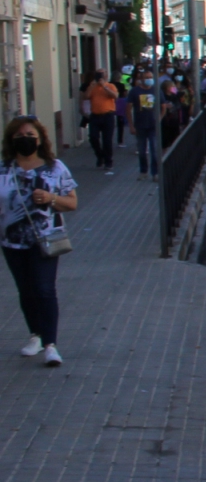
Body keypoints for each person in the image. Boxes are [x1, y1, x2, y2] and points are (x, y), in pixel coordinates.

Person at [1, 118, 75, 366]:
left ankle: (51, 345)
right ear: (11, 140)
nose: (25, 138)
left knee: (44, 289)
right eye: (19, 134)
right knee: (26, 290)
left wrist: (51, 198)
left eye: (30, 134)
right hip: (12, 241)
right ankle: (35, 334)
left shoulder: (55, 168)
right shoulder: (3, 169)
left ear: (40, 138)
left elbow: (72, 202)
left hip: (46, 239)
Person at [85, 69, 119, 173]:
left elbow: (115, 96)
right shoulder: (93, 87)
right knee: (93, 137)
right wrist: (92, 85)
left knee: (107, 140)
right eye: (98, 75)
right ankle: (100, 156)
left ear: (105, 76)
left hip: (108, 115)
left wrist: (104, 86)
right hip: (95, 115)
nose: (100, 77)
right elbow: (86, 96)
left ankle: (108, 161)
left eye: (102, 75)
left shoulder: (110, 86)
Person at [131, 73, 162, 181]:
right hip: (140, 125)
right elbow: (128, 107)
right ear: (141, 79)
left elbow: (163, 105)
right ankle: (143, 171)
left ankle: (155, 173)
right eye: (146, 77)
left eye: (150, 77)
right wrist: (131, 125)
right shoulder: (135, 91)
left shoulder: (156, 90)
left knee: (154, 150)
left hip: (153, 126)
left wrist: (159, 119)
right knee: (142, 150)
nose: (149, 79)